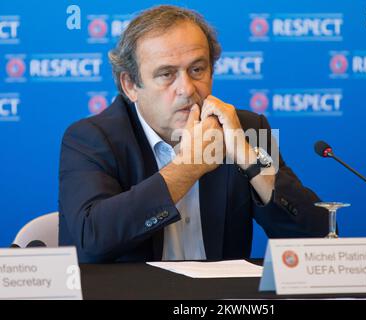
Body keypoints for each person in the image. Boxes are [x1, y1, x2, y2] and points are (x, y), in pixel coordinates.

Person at [58, 5, 328, 263]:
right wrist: (188, 168)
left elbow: (316, 239)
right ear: (130, 85)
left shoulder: (245, 129)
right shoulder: (91, 138)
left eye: (197, 70)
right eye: (166, 74)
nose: (187, 89)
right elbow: (92, 239)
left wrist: (248, 158)